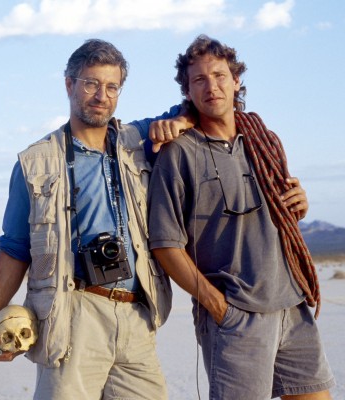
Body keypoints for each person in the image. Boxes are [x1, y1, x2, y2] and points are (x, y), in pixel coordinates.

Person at [0, 39, 186, 400]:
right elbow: (14, 248)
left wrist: (180, 121)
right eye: (90, 83)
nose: (101, 95)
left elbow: (200, 104)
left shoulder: (139, 141)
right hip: (74, 314)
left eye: (111, 86)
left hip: (137, 315)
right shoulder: (35, 162)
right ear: (69, 84)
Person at [147, 35, 335, 399]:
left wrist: (301, 205)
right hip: (236, 316)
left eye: (219, 75)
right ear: (187, 90)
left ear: (236, 81)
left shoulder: (263, 139)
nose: (211, 86)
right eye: (199, 80)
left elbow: (281, 212)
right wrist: (219, 307)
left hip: (291, 304)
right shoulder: (178, 154)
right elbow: (165, 245)